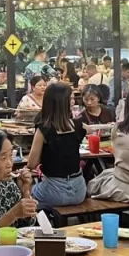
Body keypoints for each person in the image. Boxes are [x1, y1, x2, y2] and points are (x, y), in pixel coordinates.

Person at [26, 82, 86, 210]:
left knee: (26, 193)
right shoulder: (77, 125)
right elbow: (90, 131)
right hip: (80, 190)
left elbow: (31, 164)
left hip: (54, 191)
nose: (73, 102)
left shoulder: (44, 129)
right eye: (70, 99)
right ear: (60, 102)